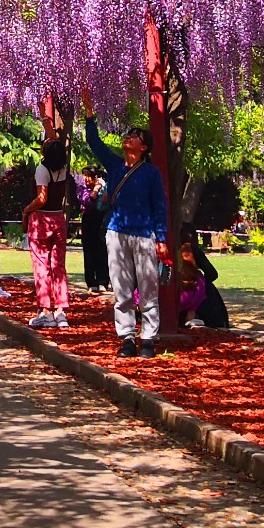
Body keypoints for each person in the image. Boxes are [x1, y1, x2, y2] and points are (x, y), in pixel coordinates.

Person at [86, 119, 169, 358]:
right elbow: (94, 142)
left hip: (144, 234)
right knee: (121, 289)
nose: (128, 137)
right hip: (117, 233)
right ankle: (127, 337)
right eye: (128, 133)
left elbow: (159, 207)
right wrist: (90, 116)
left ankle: (148, 339)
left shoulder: (151, 173)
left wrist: (161, 238)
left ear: (144, 147)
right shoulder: (114, 165)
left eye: (134, 135)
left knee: (147, 288)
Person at [24, 131, 74, 330]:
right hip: (58, 218)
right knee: (58, 266)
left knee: (41, 266)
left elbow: (42, 198)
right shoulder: (63, 169)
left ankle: (45, 311)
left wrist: (26, 210)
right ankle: (61, 310)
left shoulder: (42, 169)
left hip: (42, 219)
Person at [175, 229, 231, 329]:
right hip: (190, 296)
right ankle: (217, 322)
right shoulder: (191, 250)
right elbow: (212, 274)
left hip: (172, 296)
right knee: (208, 288)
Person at [79, 165, 111, 292]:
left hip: (101, 221)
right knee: (89, 252)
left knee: (102, 251)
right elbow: (87, 201)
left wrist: (101, 188)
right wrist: (96, 190)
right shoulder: (82, 188)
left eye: (88, 176)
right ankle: (91, 282)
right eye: (84, 175)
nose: (86, 179)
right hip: (88, 220)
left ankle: (103, 281)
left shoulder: (104, 187)